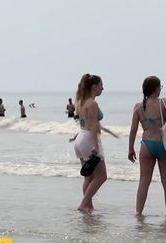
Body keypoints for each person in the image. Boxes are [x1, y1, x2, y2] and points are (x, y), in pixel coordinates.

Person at [128, 76, 166, 218]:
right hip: (164, 146)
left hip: (147, 146)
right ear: (156, 88)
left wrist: (130, 149)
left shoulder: (138, 106)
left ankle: (139, 214)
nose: (161, 89)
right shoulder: (165, 103)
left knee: (144, 181)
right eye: (160, 86)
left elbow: (133, 130)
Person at [74, 73, 107, 213]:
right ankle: (84, 203)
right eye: (101, 85)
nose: (102, 88)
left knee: (89, 176)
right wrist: (95, 145)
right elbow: (93, 125)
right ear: (94, 87)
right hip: (89, 140)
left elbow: (83, 122)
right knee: (101, 176)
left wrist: (78, 136)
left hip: (81, 138)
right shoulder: (92, 103)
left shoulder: (80, 101)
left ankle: (88, 206)